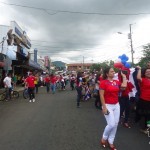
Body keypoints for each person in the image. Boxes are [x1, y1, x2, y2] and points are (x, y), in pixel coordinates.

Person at [99, 67, 127, 150]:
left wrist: (124, 77)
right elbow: (101, 95)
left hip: (116, 105)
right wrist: (104, 107)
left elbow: (124, 87)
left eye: (113, 71)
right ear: (107, 74)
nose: (113, 72)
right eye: (111, 71)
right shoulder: (103, 82)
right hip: (107, 105)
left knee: (115, 124)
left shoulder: (116, 82)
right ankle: (104, 138)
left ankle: (111, 141)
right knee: (111, 124)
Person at [137, 66, 150, 133]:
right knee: (145, 114)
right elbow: (138, 77)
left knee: (148, 115)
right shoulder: (143, 80)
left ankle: (148, 126)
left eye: (149, 71)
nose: (148, 73)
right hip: (144, 100)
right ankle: (144, 128)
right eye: (147, 72)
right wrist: (139, 69)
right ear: (144, 73)